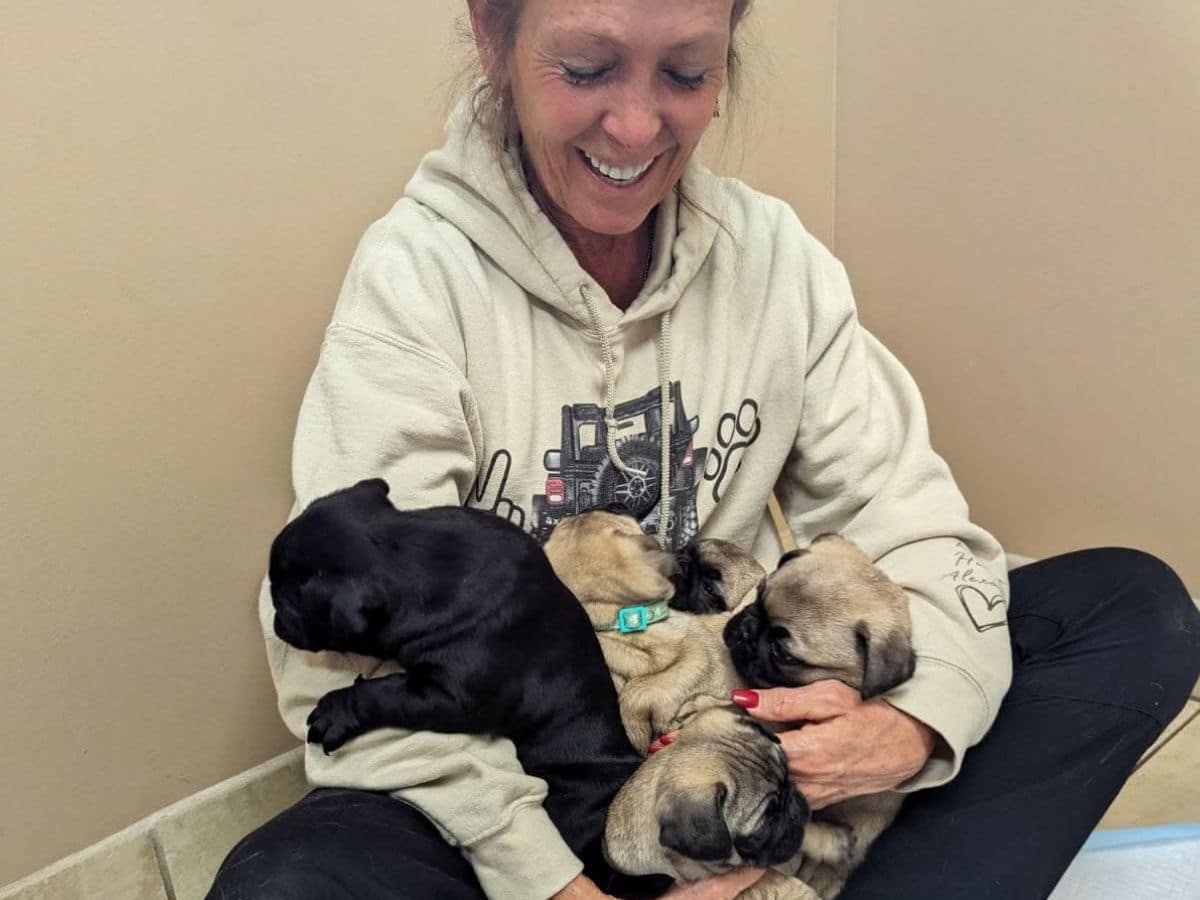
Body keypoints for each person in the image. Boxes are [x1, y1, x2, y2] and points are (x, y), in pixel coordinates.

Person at [208, 1, 1200, 898]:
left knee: (1132, 607)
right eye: (587, 69)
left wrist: (901, 732)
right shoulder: (415, 284)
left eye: (686, 74)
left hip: (732, 731)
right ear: (491, 36)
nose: (637, 129)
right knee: (288, 884)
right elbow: (334, 668)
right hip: (530, 785)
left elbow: (908, 521)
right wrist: (554, 884)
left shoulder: (774, 262)